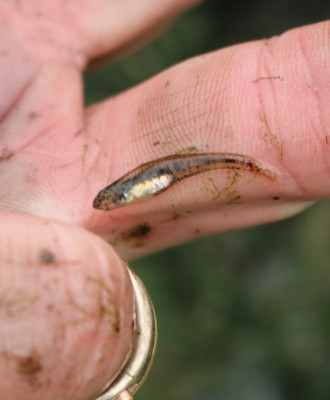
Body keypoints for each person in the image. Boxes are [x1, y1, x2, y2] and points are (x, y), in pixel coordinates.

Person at [0, 0, 328, 398]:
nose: (103, 206)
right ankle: (247, 164)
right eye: (106, 203)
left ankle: (247, 163)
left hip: (169, 171)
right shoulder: (118, 195)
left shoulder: (121, 193)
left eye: (106, 202)